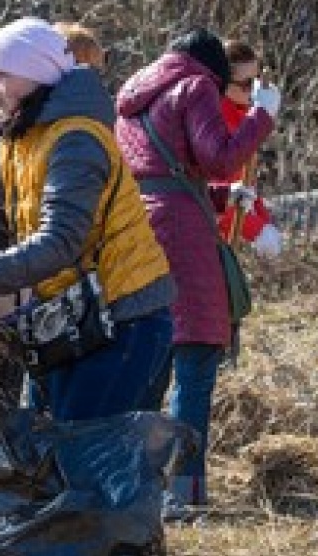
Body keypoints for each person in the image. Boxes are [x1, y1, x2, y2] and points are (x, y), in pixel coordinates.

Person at [0, 16, 176, 424]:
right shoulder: (16, 140)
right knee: (56, 461)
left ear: (36, 74)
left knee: (91, 460)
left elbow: (60, 243)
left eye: (2, 75)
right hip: (72, 317)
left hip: (125, 319)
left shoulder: (76, 139)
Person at [113, 28, 279, 513]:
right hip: (182, 238)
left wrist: (223, 197)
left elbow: (158, 176)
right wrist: (261, 114)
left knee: (150, 361)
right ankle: (184, 492)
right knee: (196, 359)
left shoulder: (135, 94)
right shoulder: (196, 85)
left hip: (136, 231)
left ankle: (135, 482)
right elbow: (220, 156)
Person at [215, 40, 283, 257]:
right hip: (199, 240)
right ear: (222, 83)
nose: (252, 89)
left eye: (255, 81)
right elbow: (209, 195)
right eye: (245, 84)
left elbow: (247, 186)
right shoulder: (212, 121)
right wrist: (257, 230)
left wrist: (265, 223)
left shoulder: (244, 116)